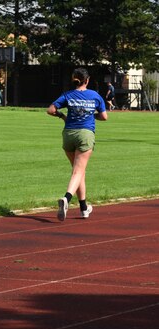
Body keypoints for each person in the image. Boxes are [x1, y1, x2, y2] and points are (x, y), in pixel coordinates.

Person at [47, 68, 108, 221]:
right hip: (85, 134)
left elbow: (51, 110)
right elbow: (104, 117)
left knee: (79, 171)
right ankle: (66, 198)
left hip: (68, 134)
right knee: (77, 172)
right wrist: (90, 114)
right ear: (87, 80)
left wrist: (62, 115)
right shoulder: (95, 95)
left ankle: (84, 208)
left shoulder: (67, 95)